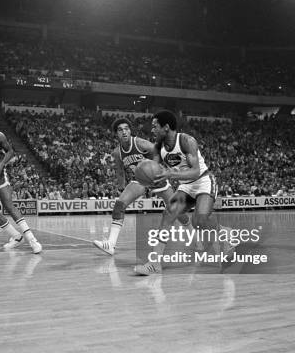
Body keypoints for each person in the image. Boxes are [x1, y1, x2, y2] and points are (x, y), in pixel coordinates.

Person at [134, 110, 224, 275]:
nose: (152, 130)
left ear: (166, 127)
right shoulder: (159, 146)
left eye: (155, 126)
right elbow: (156, 171)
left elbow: (195, 171)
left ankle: (227, 236)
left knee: (200, 221)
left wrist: (171, 174)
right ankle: (154, 263)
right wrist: (150, 181)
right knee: (168, 215)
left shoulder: (186, 141)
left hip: (203, 182)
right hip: (185, 185)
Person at [93, 118, 190, 256]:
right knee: (119, 205)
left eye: (126, 128)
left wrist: (155, 167)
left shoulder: (141, 143)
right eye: (120, 130)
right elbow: (120, 172)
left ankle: (195, 235)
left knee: (177, 211)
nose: (124, 132)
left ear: (130, 131)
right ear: (116, 134)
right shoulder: (117, 153)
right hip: (139, 180)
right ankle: (110, 244)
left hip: (156, 178)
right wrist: (122, 189)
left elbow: (159, 153)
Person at [0, 112, 42, 253]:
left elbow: (10, 151)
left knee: (9, 206)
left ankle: (32, 240)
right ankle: (16, 237)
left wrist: (1, 164)